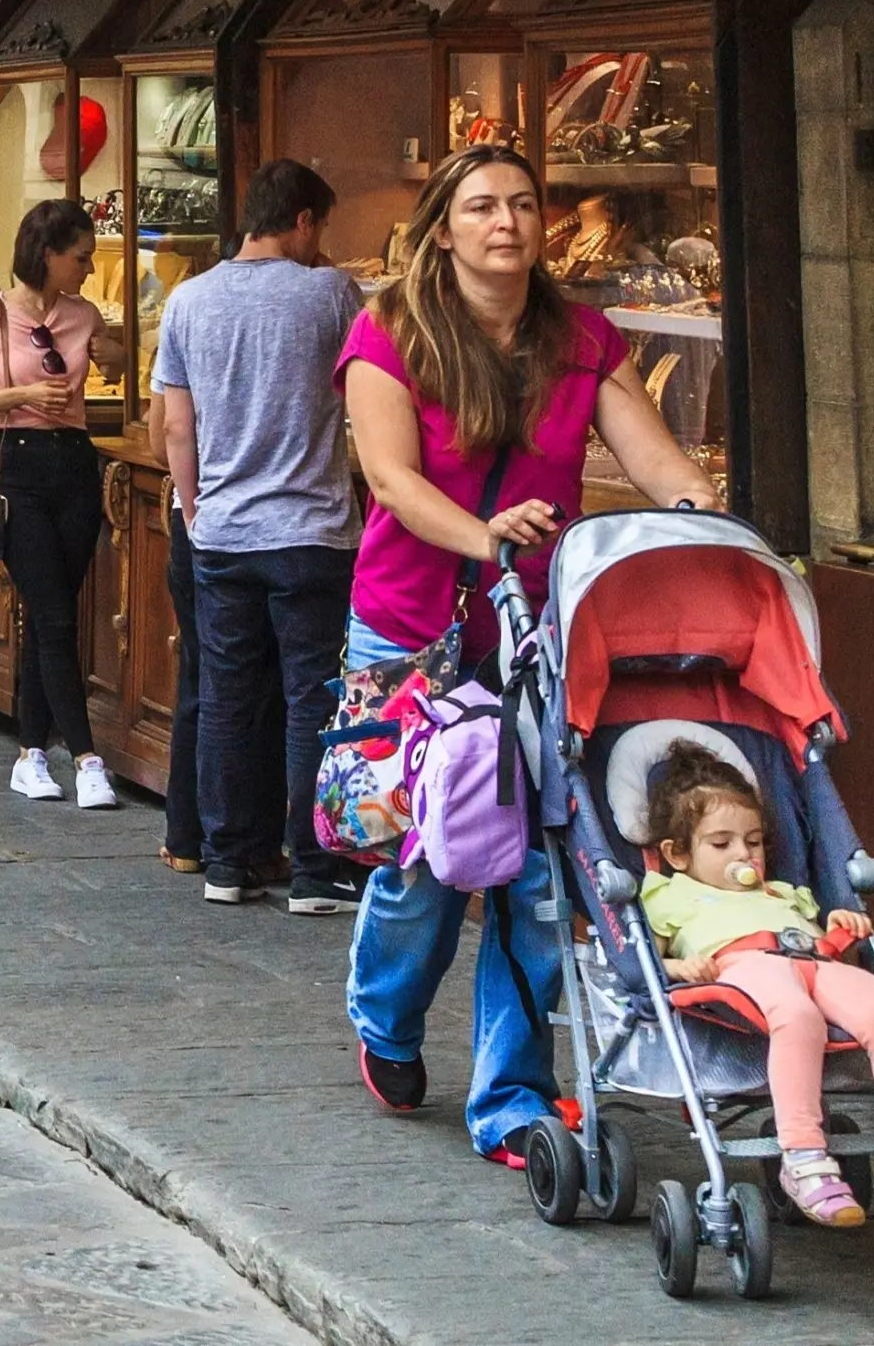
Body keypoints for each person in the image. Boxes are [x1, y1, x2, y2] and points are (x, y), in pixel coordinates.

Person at [341, 141, 717, 1162]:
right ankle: (381, 1016)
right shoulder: (388, 333)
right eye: (479, 205)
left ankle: (509, 1094)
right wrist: (486, 536)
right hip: (411, 626)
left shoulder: (580, 337)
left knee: (538, 871)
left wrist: (700, 515)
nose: (502, 220)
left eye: (518, 203)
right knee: (424, 858)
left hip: (537, 635)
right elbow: (388, 478)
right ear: (442, 225)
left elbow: (647, 451)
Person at [155, 159, 366, 915]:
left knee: (226, 698)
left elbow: (178, 426)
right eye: (322, 228)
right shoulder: (332, 293)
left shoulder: (188, 300)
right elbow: (369, 392)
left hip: (224, 532)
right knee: (312, 700)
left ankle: (225, 862)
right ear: (302, 220)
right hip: (312, 531)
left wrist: (194, 508)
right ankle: (314, 871)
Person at [633, 746, 874, 1231]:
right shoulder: (670, 892)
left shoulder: (784, 893)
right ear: (677, 854)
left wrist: (838, 924)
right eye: (721, 845)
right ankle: (804, 1158)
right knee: (797, 1016)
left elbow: (818, 939)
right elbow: (648, 955)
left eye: (754, 842)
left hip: (810, 959)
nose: (744, 854)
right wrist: (681, 966)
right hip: (739, 967)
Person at [0, 198, 118, 808]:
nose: (87, 268)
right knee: (53, 618)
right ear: (47, 254)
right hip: (18, 466)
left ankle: (29, 754)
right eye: (80, 258)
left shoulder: (84, 315)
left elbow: (117, 363)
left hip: (75, 467)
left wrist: (116, 355)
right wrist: (23, 392)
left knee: (53, 615)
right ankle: (86, 758)